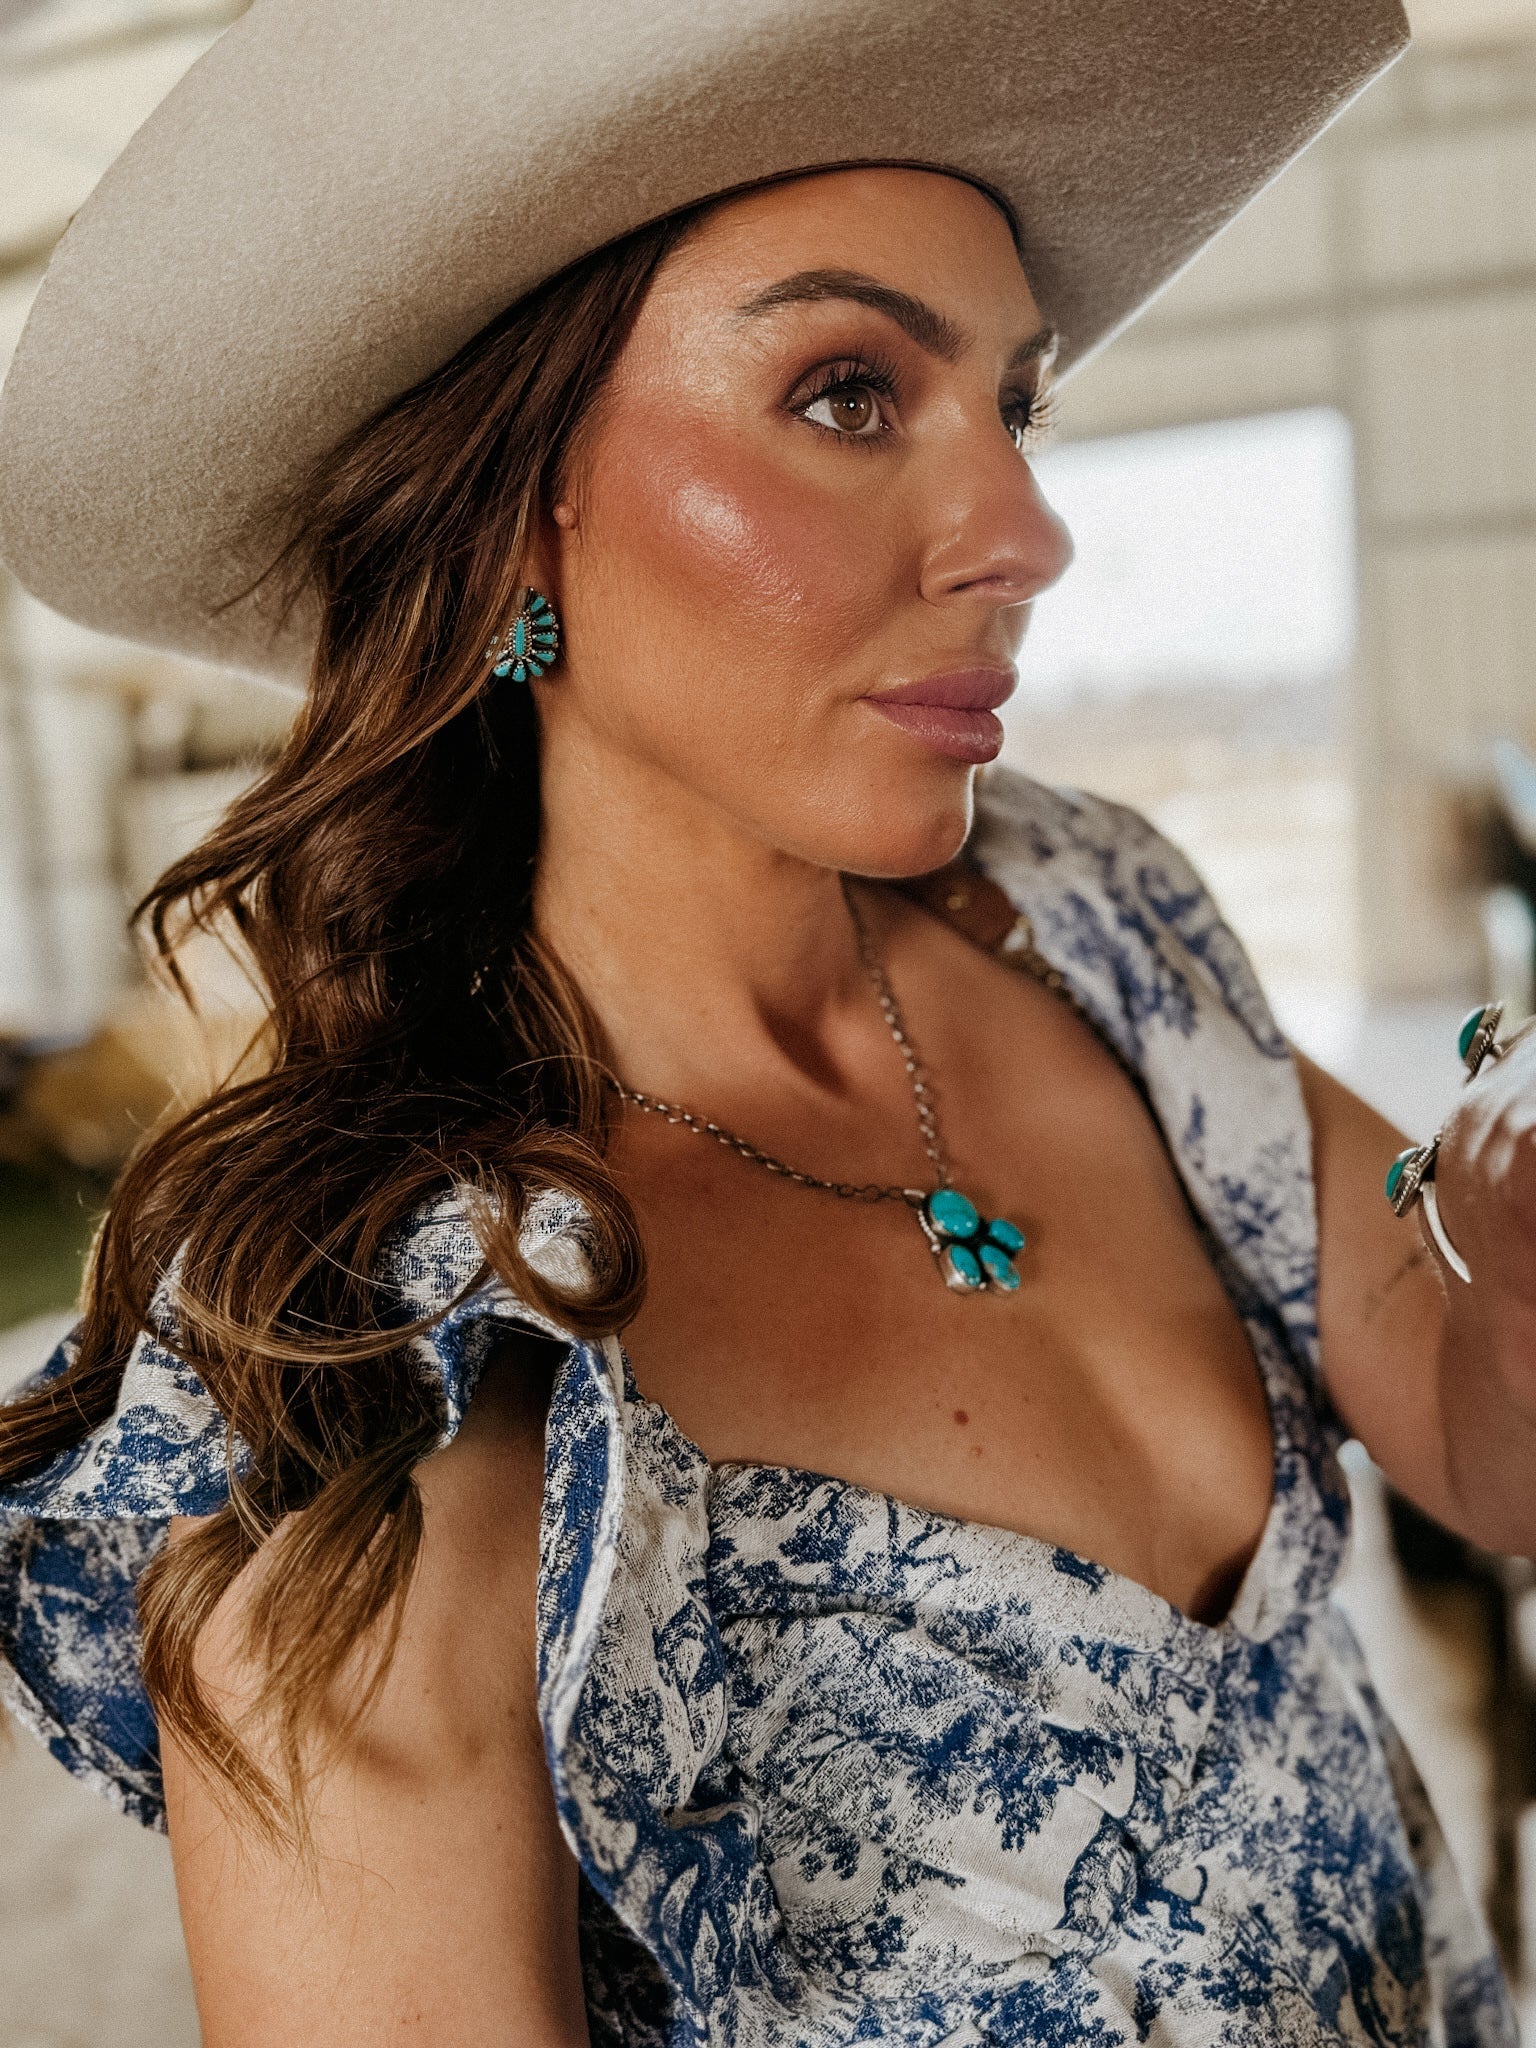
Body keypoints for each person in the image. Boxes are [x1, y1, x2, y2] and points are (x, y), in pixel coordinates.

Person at [2, 0, 1528, 2041]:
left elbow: (1484, 1446)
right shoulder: (386, 1379)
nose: (1027, 534)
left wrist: (1504, 1274)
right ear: (516, 500)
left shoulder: (1088, 915)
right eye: (842, 393)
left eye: (1016, 402)